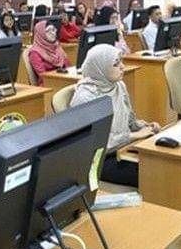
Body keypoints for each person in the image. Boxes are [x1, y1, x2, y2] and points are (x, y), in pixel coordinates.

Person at [70, 44, 159, 187]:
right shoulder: (85, 98)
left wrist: (144, 127)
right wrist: (133, 136)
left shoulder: (119, 86)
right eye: (116, 64)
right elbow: (92, 144)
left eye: (121, 61)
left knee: (163, 161)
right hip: (97, 161)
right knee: (154, 174)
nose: (122, 67)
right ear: (100, 67)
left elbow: (129, 120)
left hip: (122, 149)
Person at [28, 20, 69, 85]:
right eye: (48, 31)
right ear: (41, 34)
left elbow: (68, 67)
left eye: (53, 29)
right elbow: (43, 76)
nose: (53, 33)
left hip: (64, 80)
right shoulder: (34, 52)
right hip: (48, 84)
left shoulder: (57, 46)